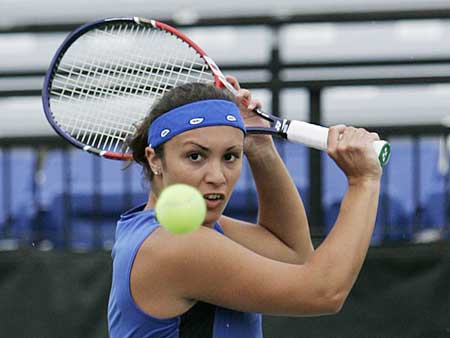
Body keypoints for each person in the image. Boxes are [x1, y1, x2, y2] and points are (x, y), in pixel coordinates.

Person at [107, 77, 382, 338]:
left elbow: (293, 254)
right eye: (195, 156)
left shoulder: (183, 229)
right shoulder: (172, 245)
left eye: (230, 156)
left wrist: (261, 149)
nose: (217, 175)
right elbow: (323, 291)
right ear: (155, 160)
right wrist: (362, 182)